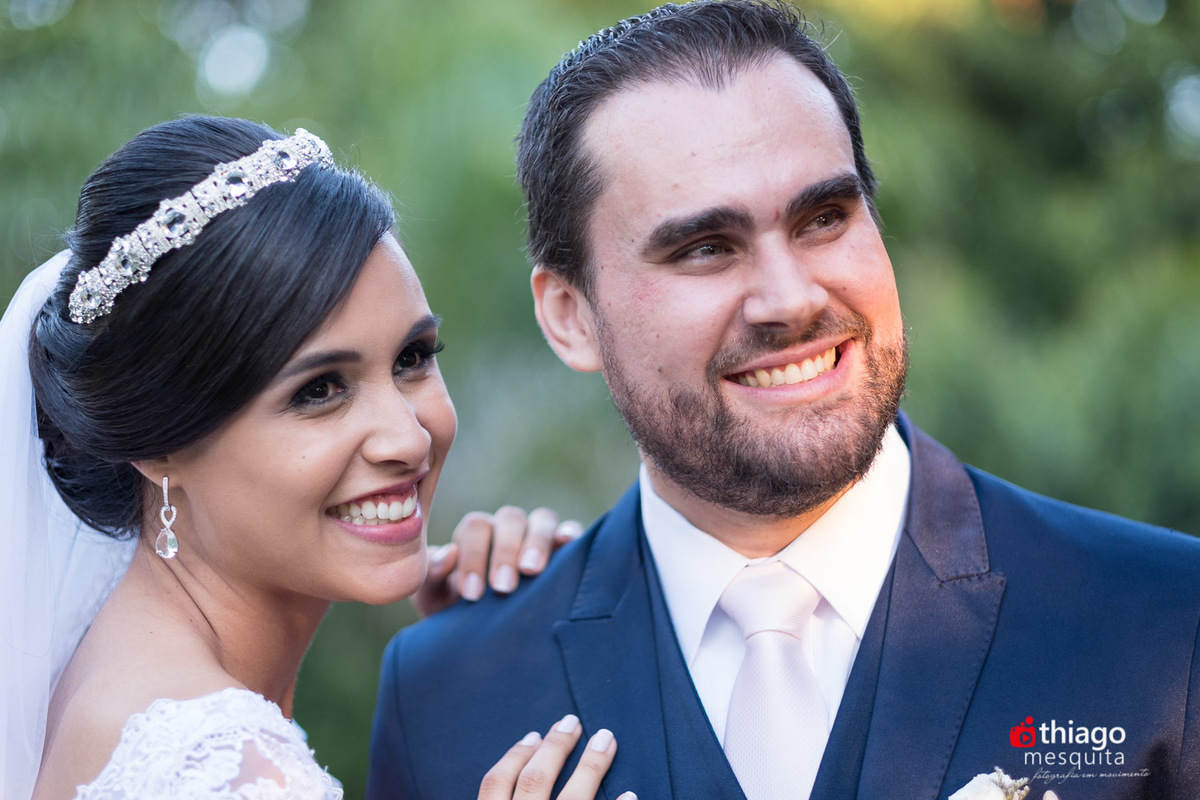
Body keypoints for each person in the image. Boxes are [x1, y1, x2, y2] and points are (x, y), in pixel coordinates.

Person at [366, 2, 1200, 799]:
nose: (791, 298)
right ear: (570, 317)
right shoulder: (445, 693)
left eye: (824, 218)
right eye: (704, 248)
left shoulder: (1163, 618)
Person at [0, 115, 632, 800]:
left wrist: (485, 639)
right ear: (159, 444)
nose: (409, 438)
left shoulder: (114, 680)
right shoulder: (227, 772)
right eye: (320, 390)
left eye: (413, 358)